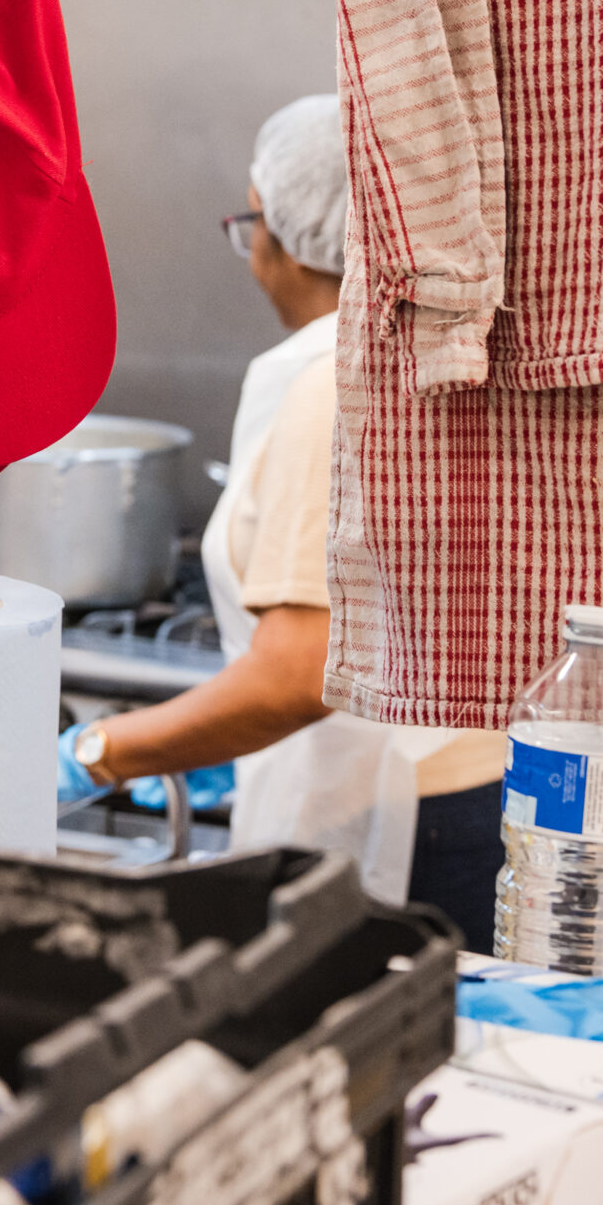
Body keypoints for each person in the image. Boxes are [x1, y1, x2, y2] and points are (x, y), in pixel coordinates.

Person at [56, 94, 508, 950]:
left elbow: (299, 673)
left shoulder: (332, 384)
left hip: (399, 819)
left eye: (253, 219)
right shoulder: (442, 347)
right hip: (465, 796)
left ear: (288, 239)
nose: (251, 247)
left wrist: (96, 752)